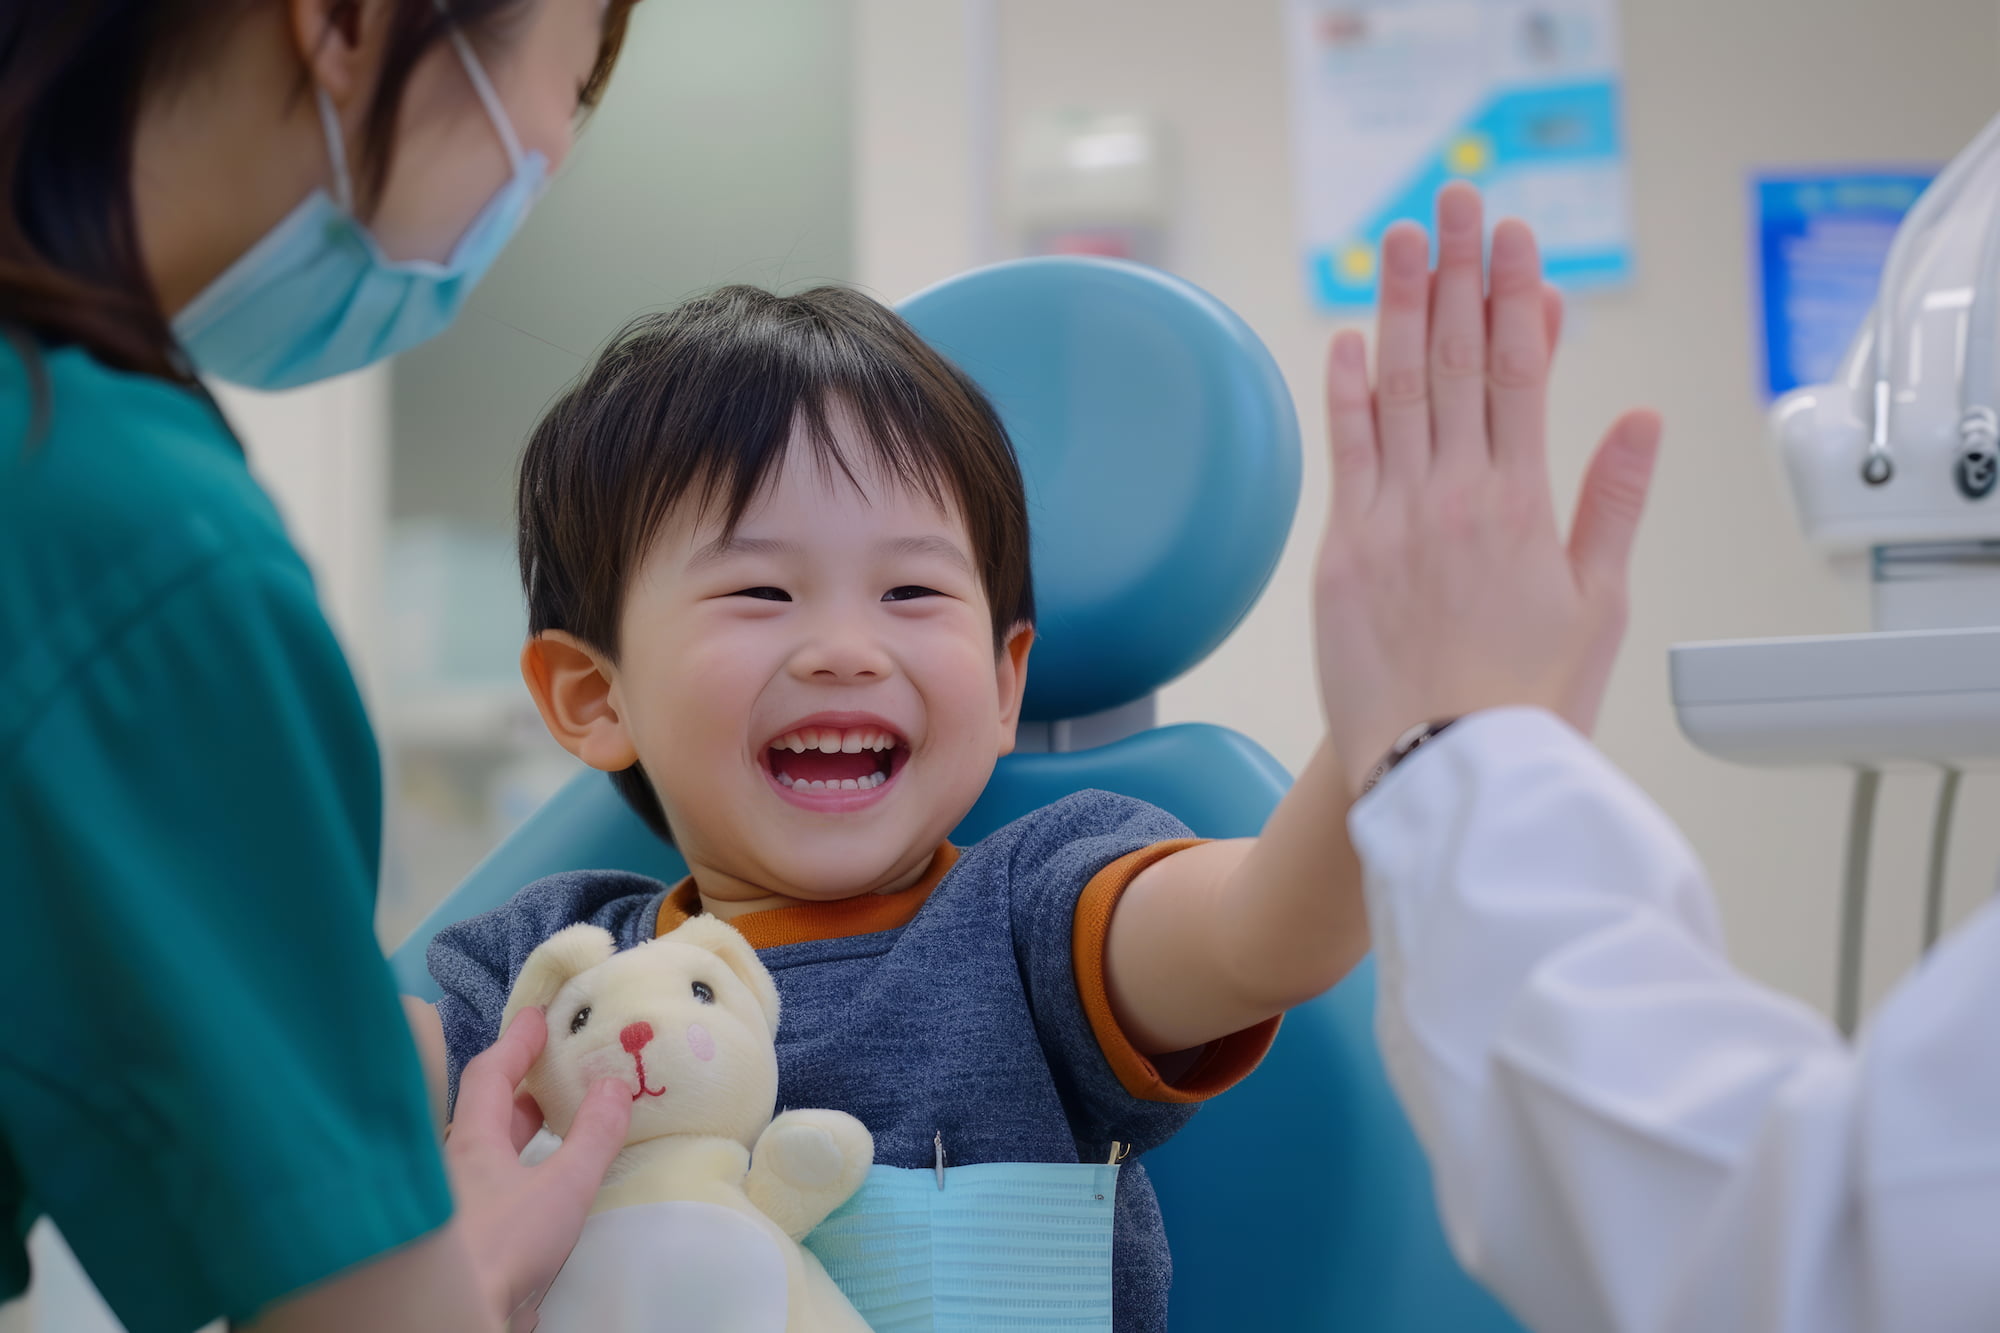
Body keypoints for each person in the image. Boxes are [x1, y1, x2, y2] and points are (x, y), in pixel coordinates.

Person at [410, 283, 1375, 1330]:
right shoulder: (547, 969)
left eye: (910, 593)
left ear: (1004, 683)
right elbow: (298, 1078)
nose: (845, 649)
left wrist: (1407, 731)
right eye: (761, 594)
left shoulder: (1035, 913)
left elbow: (1261, 931)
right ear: (595, 696)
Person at [0, 3, 650, 1328]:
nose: (552, 159)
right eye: (569, 90)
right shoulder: (126, 539)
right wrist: (473, 1261)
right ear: (347, 24)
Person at [1314, 182, 1999, 1331]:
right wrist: (1456, 738)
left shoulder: (1044, 884)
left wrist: (1449, 736)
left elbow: (1810, 1257)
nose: (886, 646)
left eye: (919, 588)